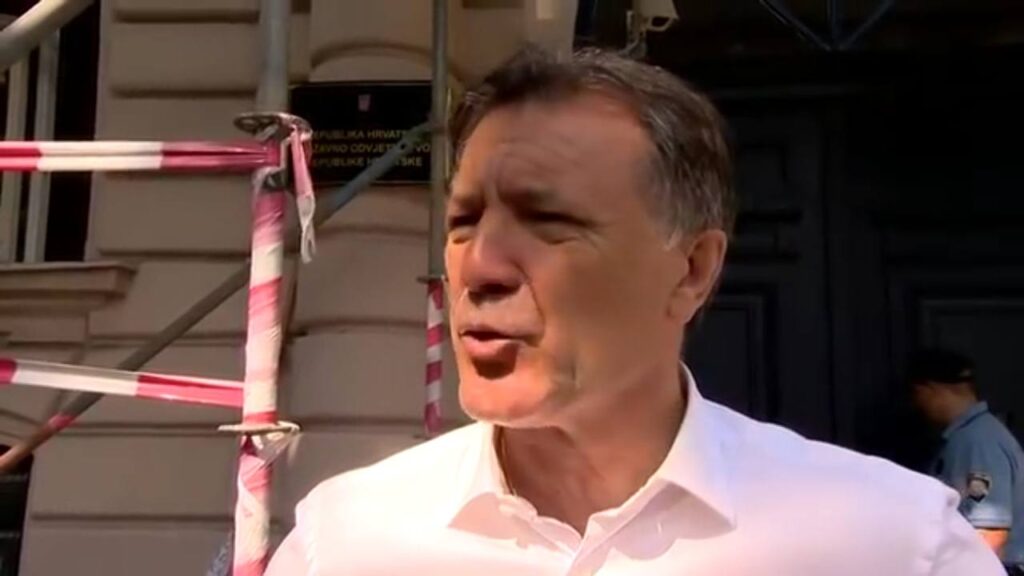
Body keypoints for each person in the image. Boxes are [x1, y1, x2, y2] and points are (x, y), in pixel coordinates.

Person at [266, 48, 1001, 575]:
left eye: (548, 221)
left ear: (692, 269)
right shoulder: (346, 542)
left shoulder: (894, 545)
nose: (478, 268)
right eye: (462, 222)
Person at [910, 348, 1024, 574]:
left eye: (916, 394)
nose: (916, 404)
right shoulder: (972, 436)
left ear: (929, 390)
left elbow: (990, 532)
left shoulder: (977, 441)